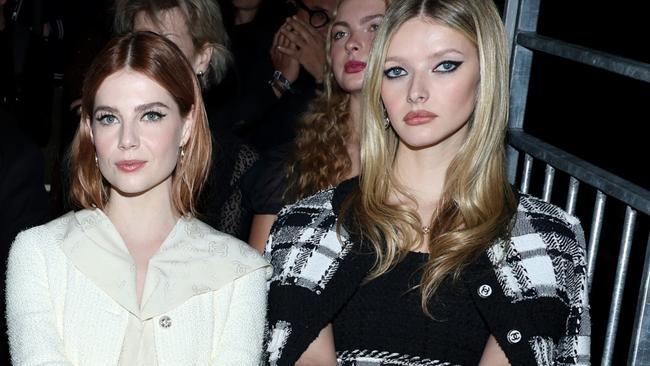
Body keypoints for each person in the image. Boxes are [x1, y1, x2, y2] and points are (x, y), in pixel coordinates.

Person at [263, 0, 591, 365]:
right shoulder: (305, 228)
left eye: (445, 66)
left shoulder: (542, 239)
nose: (416, 91)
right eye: (396, 71)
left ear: (486, 76)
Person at [6, 31, 270, 365]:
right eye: (109, 118)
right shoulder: (41, 253)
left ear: (186, 126)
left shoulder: (239, 272)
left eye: (151, 115)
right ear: (90, 130)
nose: (127, 139)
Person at [245, 0, 388, 251]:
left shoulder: (426, 155)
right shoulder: (297, 164)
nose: (351, 43)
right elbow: (256, 276)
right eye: (340, 33)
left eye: (374, 27)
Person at [113, 0, 259, 241]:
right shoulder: (108, 141)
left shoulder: (235, 166)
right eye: (142, 42)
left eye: (167, 43)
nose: (150, 58)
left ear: (202, 57)